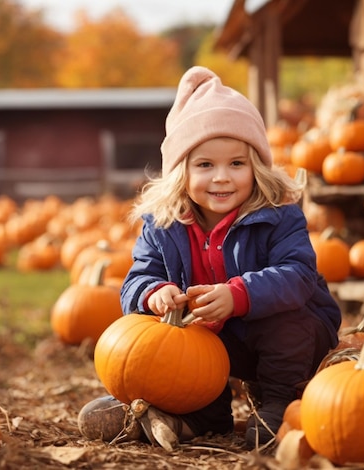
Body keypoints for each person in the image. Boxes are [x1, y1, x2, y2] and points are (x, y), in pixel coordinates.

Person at [80, 66, 341, 450]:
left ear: (257, 167)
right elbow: (136, 279)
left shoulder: (278, 214)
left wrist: (239, 295)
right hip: (213, 341)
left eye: (237, 163)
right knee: (171, 335)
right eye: (205, 165)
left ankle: (280, 402)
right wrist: (155, 292)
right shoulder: (163, 224)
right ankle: (201, 415)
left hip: (287, 336)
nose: (222, 177)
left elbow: (298, 275)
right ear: (180, 171)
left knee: (286, 321)